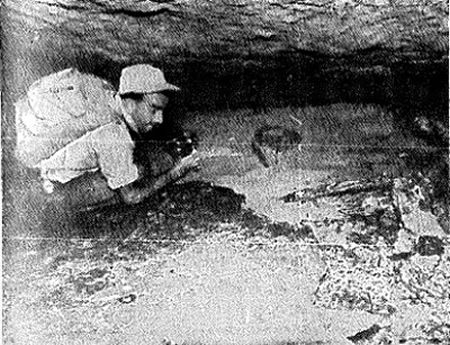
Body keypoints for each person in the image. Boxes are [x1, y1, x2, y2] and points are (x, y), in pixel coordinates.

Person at [15, 64, 199, 211]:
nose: (159, 119)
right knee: (139, 172)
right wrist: (178, 171)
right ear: (129, 102)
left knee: (125, 162)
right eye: (153, 109)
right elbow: (131, 197)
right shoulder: (115, 134)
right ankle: (51, 206)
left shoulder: (105, 93)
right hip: (42, 191)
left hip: (28, 155)